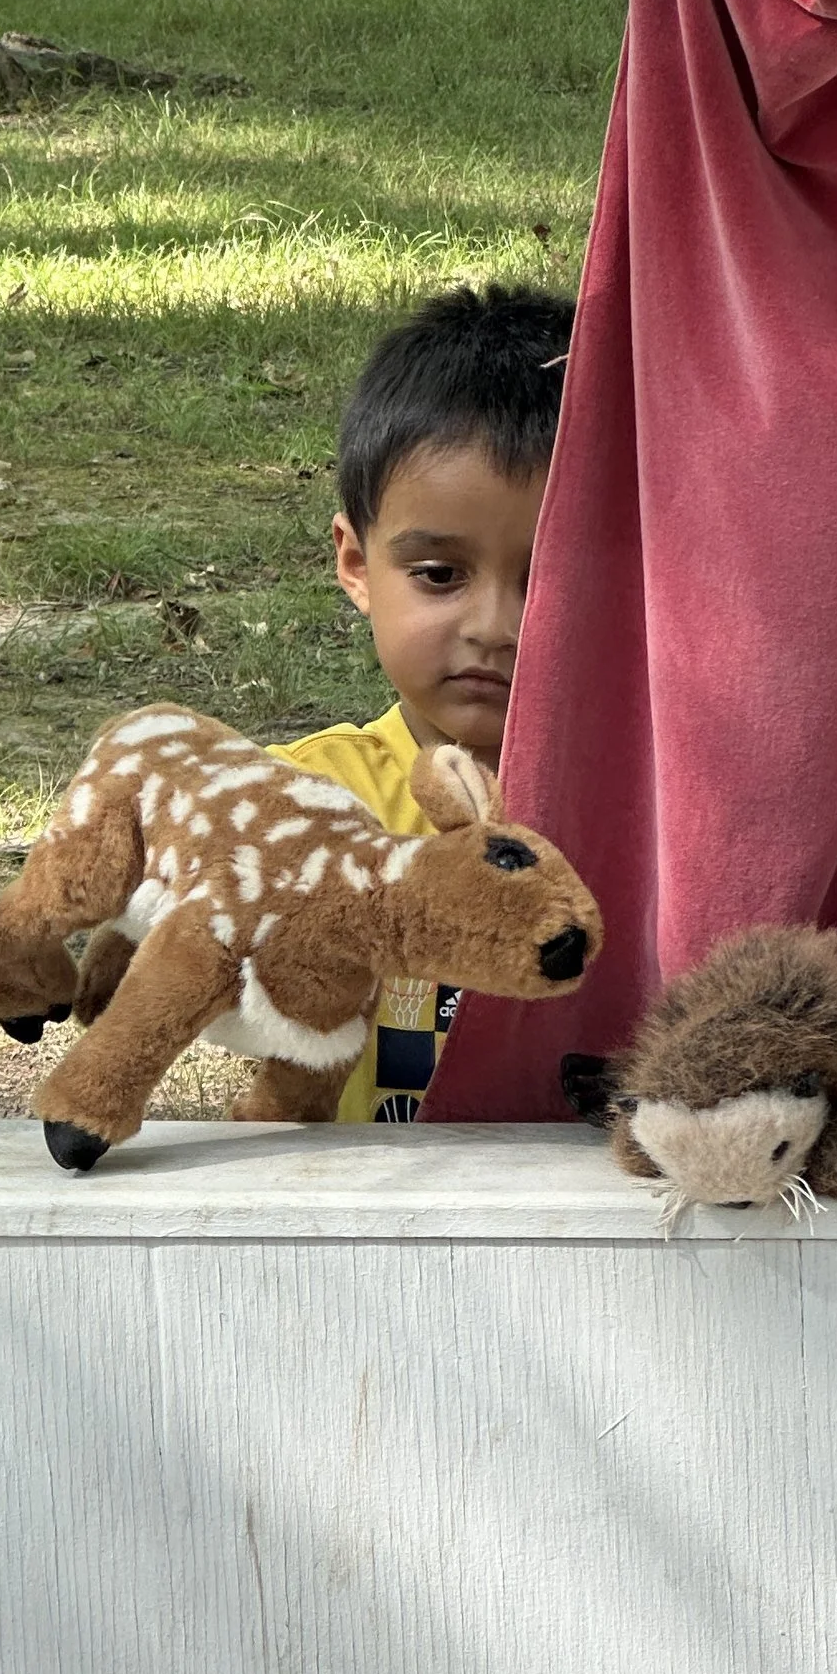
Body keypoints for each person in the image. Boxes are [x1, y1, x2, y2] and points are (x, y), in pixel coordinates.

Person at [273, 283, 572, 1124]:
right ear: (357, 563)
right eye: (440, 574)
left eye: (547, 578)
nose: (494, 628)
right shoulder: (303, 803)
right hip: (359, 1233)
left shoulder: (649, 815)